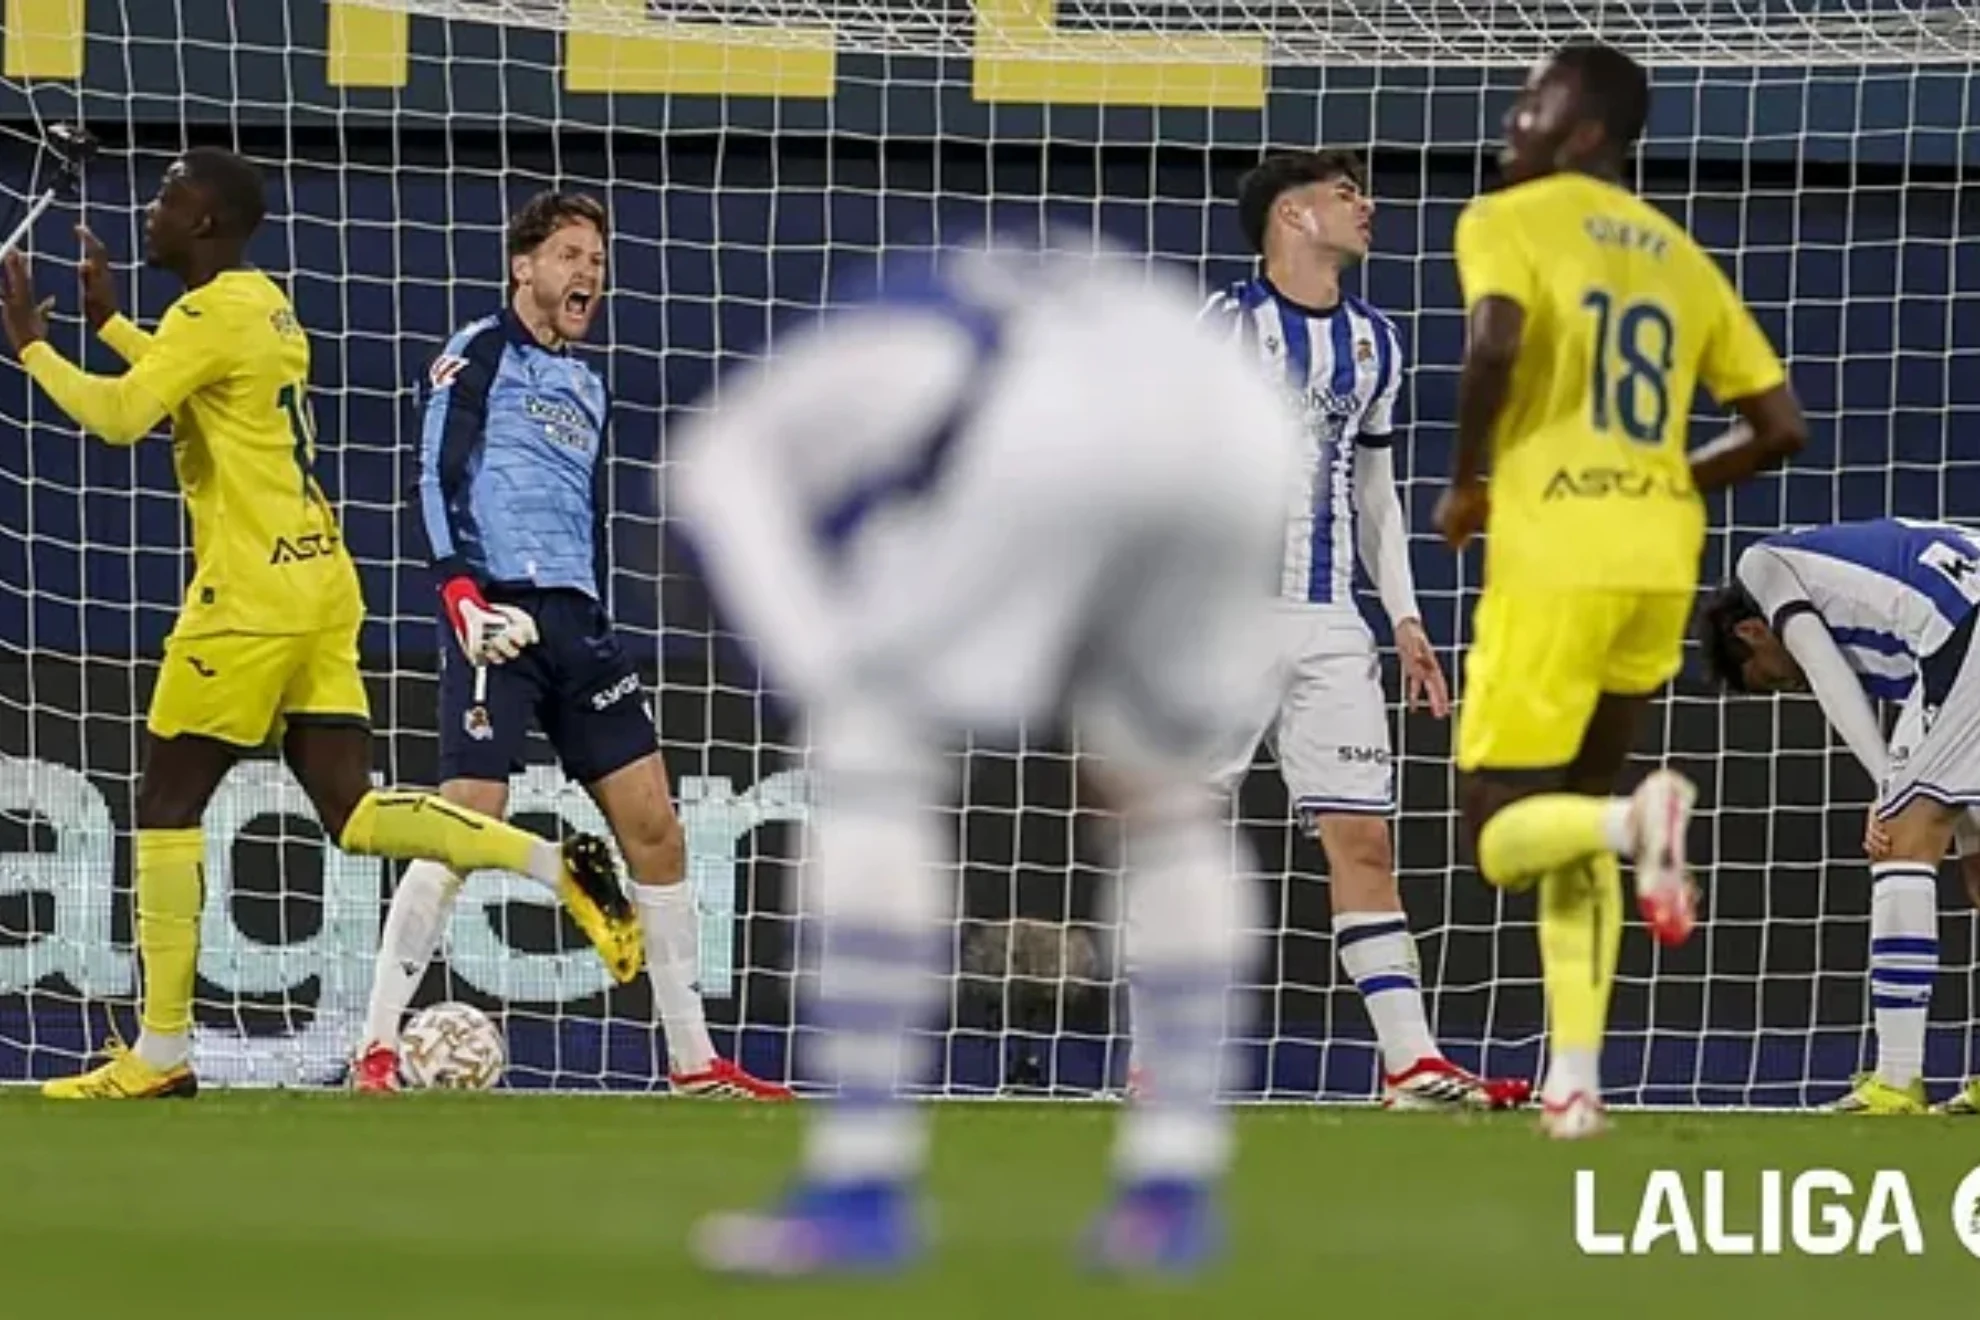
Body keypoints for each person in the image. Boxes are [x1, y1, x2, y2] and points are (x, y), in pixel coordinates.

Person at [673, 238, 1299, 1275]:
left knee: (869, 756)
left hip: (1039, 416)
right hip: (1240, 418)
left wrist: (822, 680)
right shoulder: (918, 315)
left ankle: (859, 1187)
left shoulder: (770, 416)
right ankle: (1173, 1193)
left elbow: (711, 486)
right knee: (1169, 797)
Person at [0, 149, 636, 1100]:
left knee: (167, 806)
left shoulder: (208, 314)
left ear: (207, 223)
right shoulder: (263, 303)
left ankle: (161, 1052)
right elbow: (207, 382)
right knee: (353, 810)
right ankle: (556, 860)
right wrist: (110, 324)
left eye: (171, 200)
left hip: (247, 599)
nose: (152, 213)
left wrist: (31, 346)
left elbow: (127, 416)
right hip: (321, 582)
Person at [1432, 43, 1808, 1137]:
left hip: (1555, 548)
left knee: (1503, 833)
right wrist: (1663, 480)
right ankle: (1577, 1080)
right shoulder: (1680, 255)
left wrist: (1466, 483)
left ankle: (1637, 818)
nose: (1512, 120)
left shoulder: (1512, 217)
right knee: (1584, 824)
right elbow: (1782, 425)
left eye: (1530, 101)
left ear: (1585, 131)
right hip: (1660, 554)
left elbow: (1495, 341)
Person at [351, 191, 789, 1100]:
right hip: (496, 616)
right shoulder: (476, 354)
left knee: (658, 831)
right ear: (525, 267)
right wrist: (461, 596)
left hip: (578, 629)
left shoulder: (587, 384)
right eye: (569, 255)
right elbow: (434, 476)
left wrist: (590, 615)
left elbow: (583, 516)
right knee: (467, 819)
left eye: (596, 258)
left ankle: (693, 1063)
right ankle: (377, 1049)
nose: (588, 272)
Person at [1192, 149, 1526, 1110]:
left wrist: (1409, 618)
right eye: (1346, 194)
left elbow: (1374, 492)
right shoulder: (1228, 326)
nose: (1367, 207)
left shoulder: (1377, 340)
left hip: (1335, 623)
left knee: (1365, 842)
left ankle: (1411, 1065)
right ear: (1291, 217)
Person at [1700, 517, 1980, 1116]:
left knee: (1903, 840)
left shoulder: (1761, 564)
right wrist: (1897, 778)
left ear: (1753, 630)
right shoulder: (1869, 560)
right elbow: (1928, 706)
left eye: (1772, 678)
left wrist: (1888, 788)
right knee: (1975, 853)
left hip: (1966, 627)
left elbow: (1825, 672)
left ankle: (1897, 1080)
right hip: (1956, 633)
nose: (1789, 683)